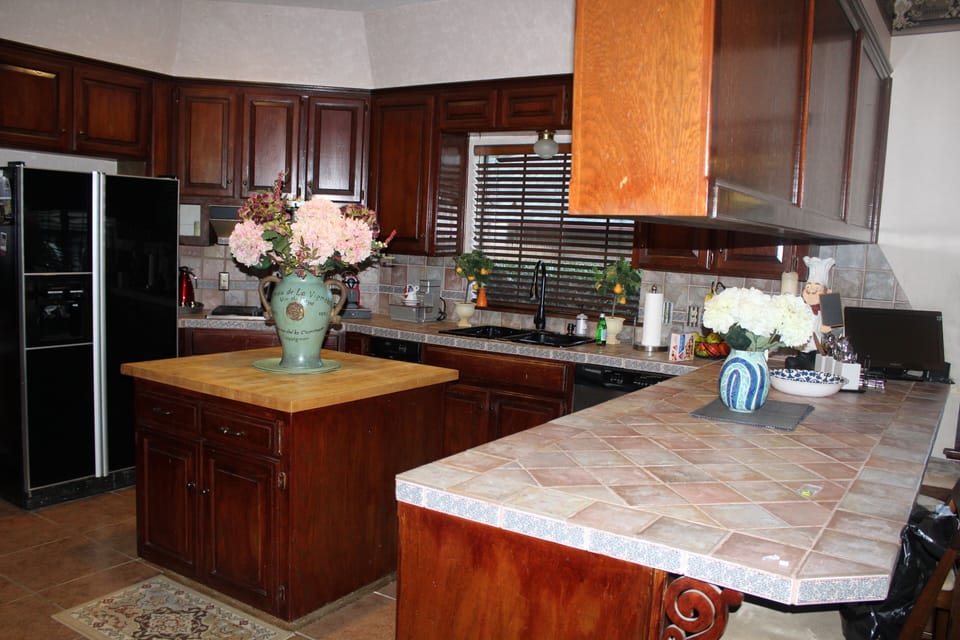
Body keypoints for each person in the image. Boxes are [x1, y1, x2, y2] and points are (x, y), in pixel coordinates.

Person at [785, 256, 836, 370]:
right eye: (808, 287)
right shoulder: (802, 306)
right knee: (792, 362)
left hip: (817, 350)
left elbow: (829, 330)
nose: (811, 291)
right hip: (803, 348)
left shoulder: (827, 306)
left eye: (816, 288)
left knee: (816, 364)